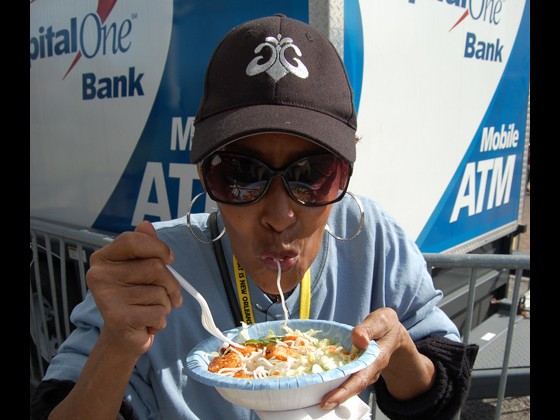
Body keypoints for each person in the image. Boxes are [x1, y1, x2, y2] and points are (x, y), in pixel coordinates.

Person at [31, 14, 478, 420]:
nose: (281, 216)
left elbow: (443, 392)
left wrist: (399, 352)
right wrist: (116, 346)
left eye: (313, 175)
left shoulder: (375, 242)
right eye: (241, 175)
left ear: (346, 170)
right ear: (207, 176)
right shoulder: (156, 273)